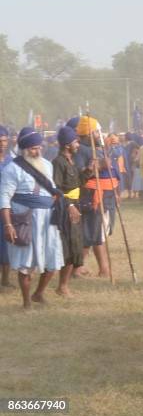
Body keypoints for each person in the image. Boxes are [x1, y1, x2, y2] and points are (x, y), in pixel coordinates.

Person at [0, 127, 64, 308]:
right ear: (25, 149)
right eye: (34, 148)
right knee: (25, 263)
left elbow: (52, 190)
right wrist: (8, 225)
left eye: (39, 147)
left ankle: (39, 294)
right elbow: (4, 198)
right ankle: (26, 301)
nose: (38, 151)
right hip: (25, 220)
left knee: (53, 261)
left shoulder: (48, 165)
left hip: (48, 219)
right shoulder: (12, 169)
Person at [74, 116, 118, 278]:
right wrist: (100, 165)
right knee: (90, 233)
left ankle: (103, 268)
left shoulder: (97, 148)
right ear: (88, 133)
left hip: (105, 196)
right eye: (96, 132)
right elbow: (80, 173)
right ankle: (77, 268)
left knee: (97, 233)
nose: (99, 134)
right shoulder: (81, 150)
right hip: (91, 197)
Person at [52, 126, 85, 295]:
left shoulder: (72, 160)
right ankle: (62, 286)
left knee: (76, 245)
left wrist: (91, 170)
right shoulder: (58, 163)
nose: (78, 144)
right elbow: (56, 189)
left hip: (75, 206)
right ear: (67, 145)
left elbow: (77, 183)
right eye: (75, 141)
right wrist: (69, 205)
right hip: (65, 209)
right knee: (68, 247)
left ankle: (64, 285)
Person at [0, 125, 14, 290]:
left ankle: (5, 280)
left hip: (7, 209)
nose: (2, 144)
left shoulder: (12, 160)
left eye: (4, 140)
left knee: (6, 244)